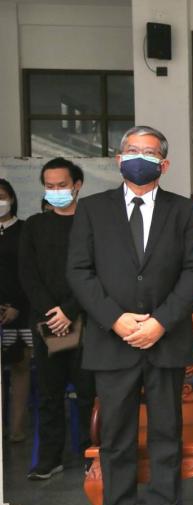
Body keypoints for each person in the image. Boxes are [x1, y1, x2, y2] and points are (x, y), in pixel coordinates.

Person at [67, 126, 193, 505]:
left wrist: (161, 322)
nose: (139, 157)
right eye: (132, 150)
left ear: (164, 164)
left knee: (166, 434)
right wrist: (115, 319)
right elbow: (79, 272)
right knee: (116, 438)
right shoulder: (93, 209)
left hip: (165, 340)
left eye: (148, 152)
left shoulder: (184, 211)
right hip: (113, 342)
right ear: (118, 158)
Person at [19, 158, 96, 480]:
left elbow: (98, 272)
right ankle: (50, 458)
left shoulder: (92, 224)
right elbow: (28, 274)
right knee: (49, 394)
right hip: (46, 323)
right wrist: (53, 313)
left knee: (88, 393)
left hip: (87, 319)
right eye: (49, 186)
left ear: (77, 185)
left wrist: (69, 310)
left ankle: (92, 454)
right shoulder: (34, 225)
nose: (55, 191)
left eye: (61, 185)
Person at [0, 178, 31, 444]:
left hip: (21, 311)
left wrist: (17, 306)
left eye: (2, 196)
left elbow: (30, 272)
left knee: (20, 367)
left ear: (11, 198)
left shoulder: (24, 230)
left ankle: (17, 429)